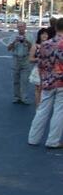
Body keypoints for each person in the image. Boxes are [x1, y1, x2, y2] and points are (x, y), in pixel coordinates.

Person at [28, 17, 63, 148]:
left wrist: (43, 80)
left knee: (42, 110)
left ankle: (33, 138)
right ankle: (53, 141)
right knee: (59, 111)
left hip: (47, 81)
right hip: (61, 82)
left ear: (55, 28)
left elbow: (40, 64)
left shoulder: (45, 44)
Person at [7, 22, 32, 104]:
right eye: (18, 27)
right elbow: (8, 48)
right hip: (16, 59)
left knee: (25, 80)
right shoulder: (13, 36)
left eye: (22, 26)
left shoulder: (30, 36)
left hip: (26, 59)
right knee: (16, 80)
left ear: (25, 27)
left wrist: (26, 41)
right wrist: (15, 41)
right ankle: (16, 97)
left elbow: (33, 48)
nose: (20, 28)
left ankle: (24, 98)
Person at [29, 28, 51, 106]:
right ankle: (38, 107)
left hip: (49, 71)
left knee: (47, 90)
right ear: (39, 35)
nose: (45, 35)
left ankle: (44, 107)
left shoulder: (51, 45)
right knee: (38, 89)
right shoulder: (35, 46)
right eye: (43, 34)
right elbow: (30, 59)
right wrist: (39, 59)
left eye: (46, 34)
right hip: (38, 70)